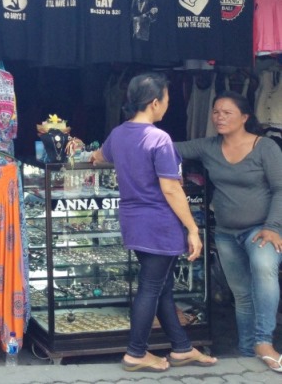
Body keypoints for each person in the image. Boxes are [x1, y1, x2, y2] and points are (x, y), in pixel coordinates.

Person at [91, 72, 216, 372]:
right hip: (159, 224)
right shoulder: (159, 139)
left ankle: (182, 348)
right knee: (151, 287)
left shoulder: (119, 133)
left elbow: (98, 156)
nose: (168, 107)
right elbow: (171, 188)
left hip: (133, 222)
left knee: (161, 287)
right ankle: (136, 353)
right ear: (155, 102)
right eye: (167, 101)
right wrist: (192, 228)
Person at [175, 91, 282, 373]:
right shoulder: (209, 146)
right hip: (225, 232)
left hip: (261, 230)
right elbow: (170, 148)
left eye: (227, 112)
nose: (219, 117)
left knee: (264, 270)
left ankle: (263, 341)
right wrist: (128, 140)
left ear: (245, 117)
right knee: (242, 294)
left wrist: (273, 227)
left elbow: (280, 189)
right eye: (215, 112)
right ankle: (248, 352)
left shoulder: (266, 147)